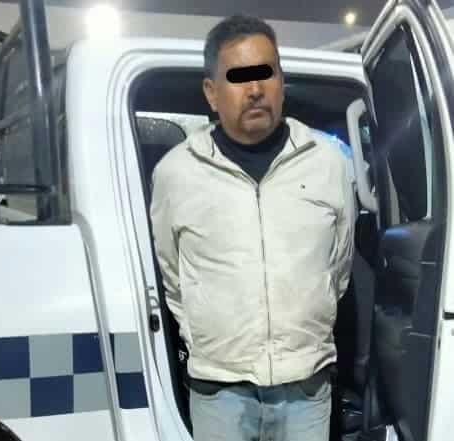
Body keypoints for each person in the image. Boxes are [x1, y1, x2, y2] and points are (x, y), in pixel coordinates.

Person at [150, 14, 355, 441]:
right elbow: (173, 275)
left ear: (281, 81)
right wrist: (206, 334)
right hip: (219, 392)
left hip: (306, 387)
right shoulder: (176, 173)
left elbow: (338, 266)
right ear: (212, 93)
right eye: (239, 77)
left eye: (266, 73)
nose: (256, 88)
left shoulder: (327, 163)